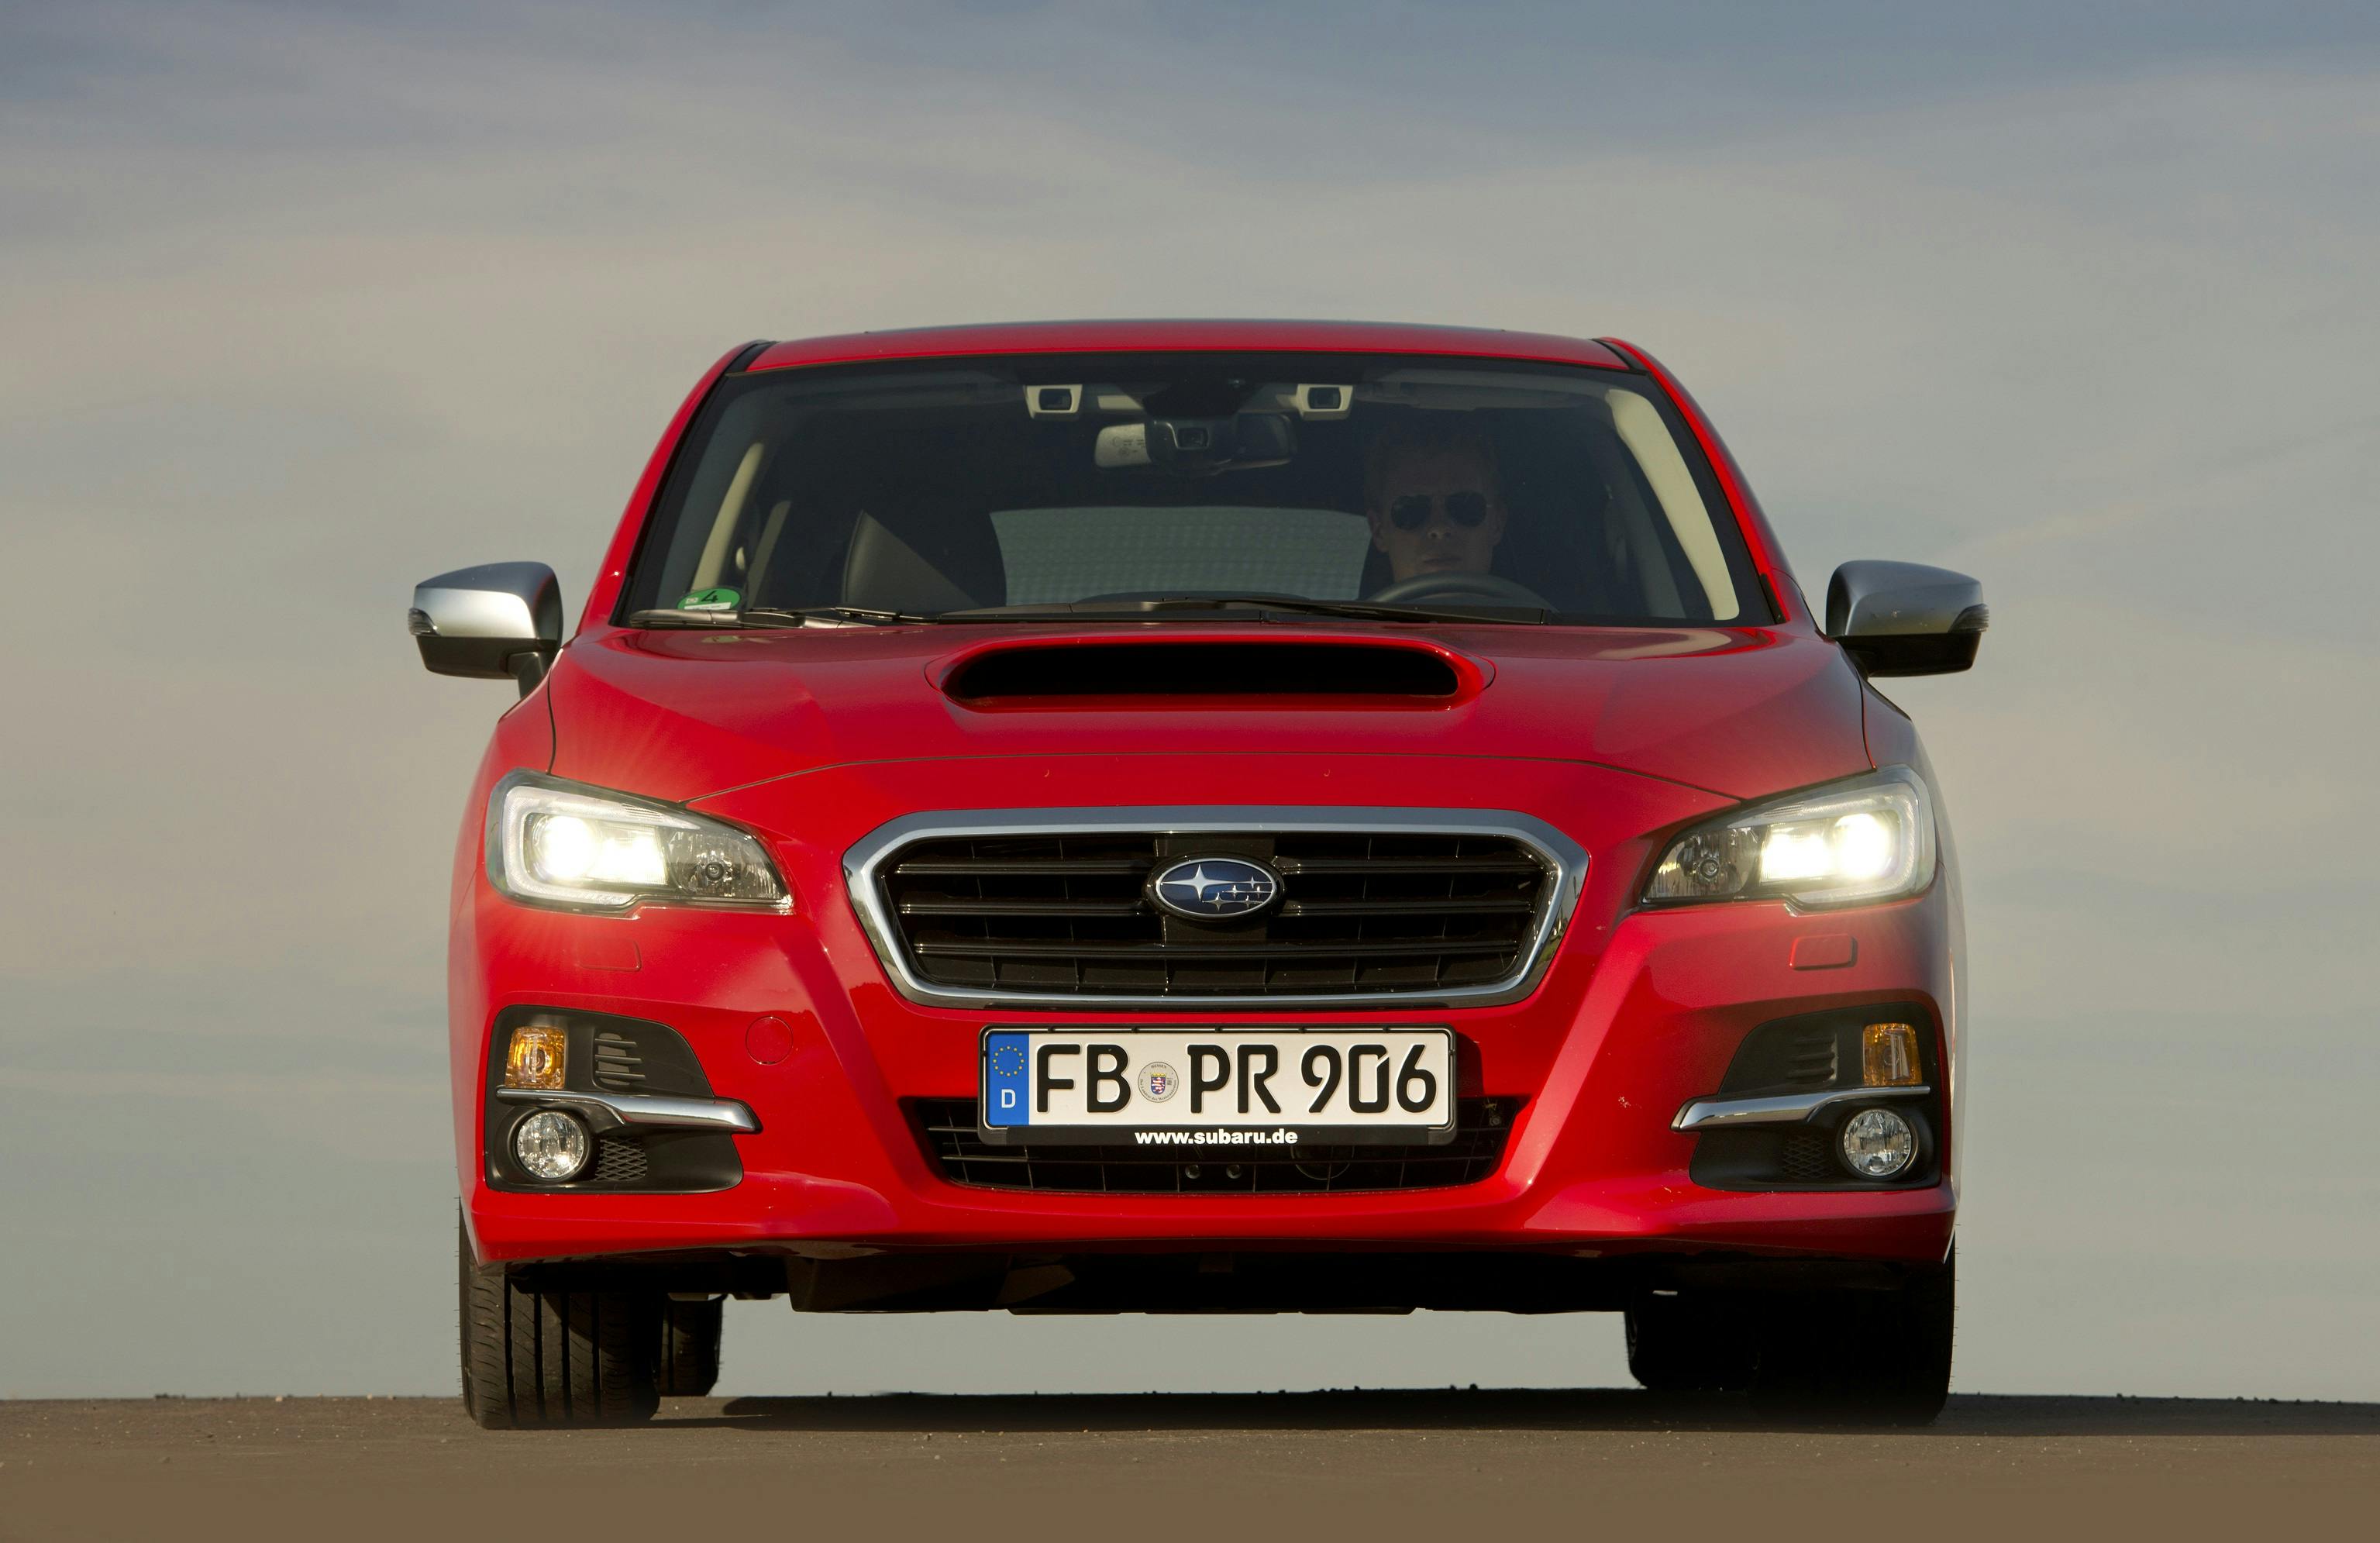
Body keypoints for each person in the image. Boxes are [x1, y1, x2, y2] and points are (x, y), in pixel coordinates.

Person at [1364, 422, 1508, 584]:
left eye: (1465, 507)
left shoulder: (1539, 610)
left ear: (1497, 523)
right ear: (1379, 531)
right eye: (1411, 510)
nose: (1440, 528)